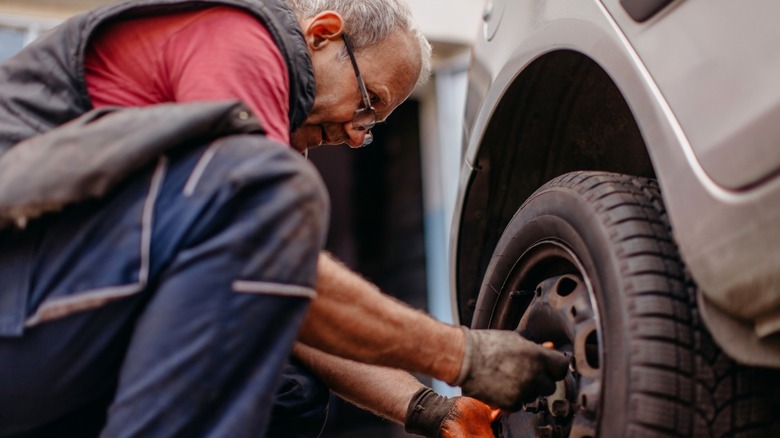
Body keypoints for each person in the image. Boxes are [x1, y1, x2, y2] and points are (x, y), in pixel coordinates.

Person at [0, 0, 570, 437]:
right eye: (366, 103)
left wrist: (430, 409)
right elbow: (272, 263)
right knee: (275, 198)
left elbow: (279, 291)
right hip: (18, 297)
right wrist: (465, 355)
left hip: (43, 316)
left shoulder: (233, 169)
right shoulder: (239, 42)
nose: (354, 134)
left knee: (288, 389)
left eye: (369, 128)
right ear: (323, 34)